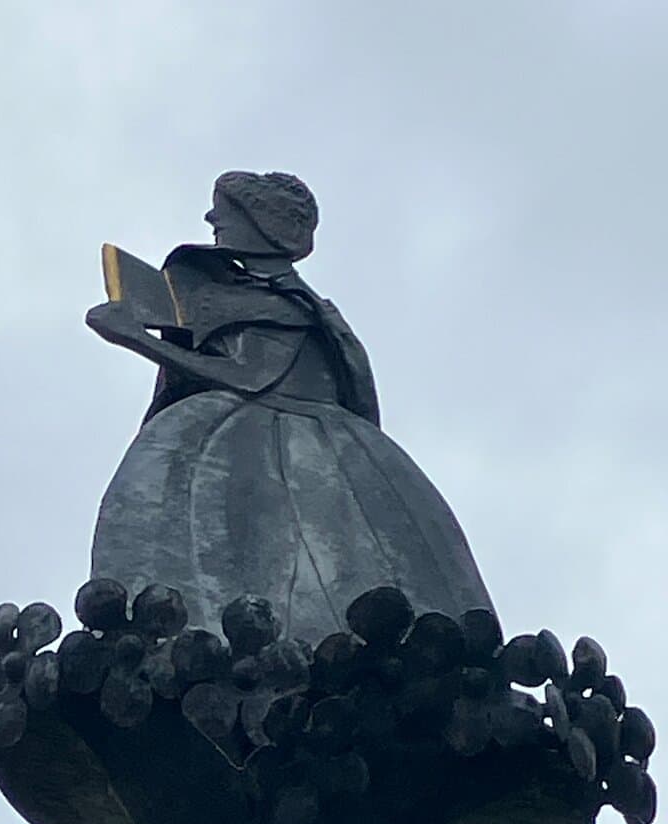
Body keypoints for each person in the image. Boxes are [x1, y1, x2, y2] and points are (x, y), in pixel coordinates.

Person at [87, 171, 495, 645]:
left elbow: (250, 375)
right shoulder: (235, 292)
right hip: (255, 437)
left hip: (289, 444)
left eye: (226, 209)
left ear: (260, 224)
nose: (212, 218)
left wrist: (138, 339)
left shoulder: (292, 305)